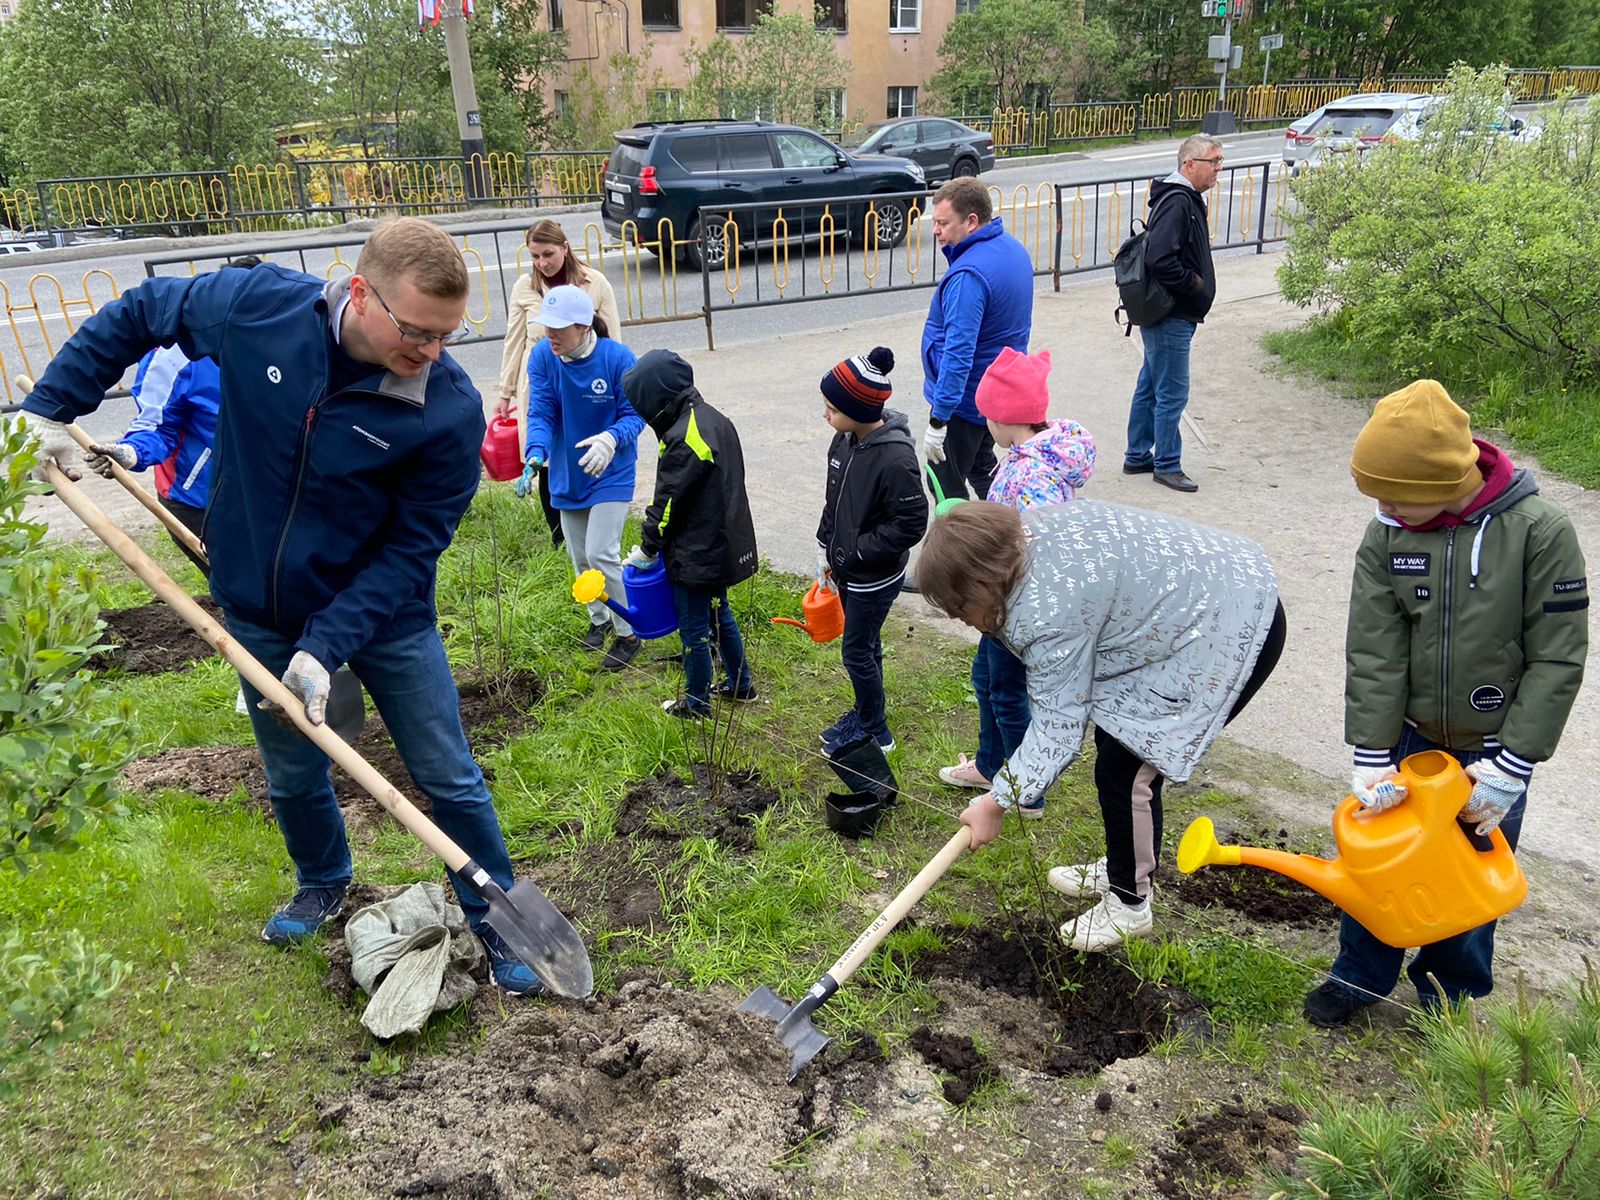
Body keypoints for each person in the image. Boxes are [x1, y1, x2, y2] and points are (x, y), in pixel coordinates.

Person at [16, 217, 543, 994]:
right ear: (359, 293)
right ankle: (323, 880)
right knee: (293, 770)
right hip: (260, 608)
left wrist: (326, 646)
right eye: (417, 332)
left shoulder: (445, 410)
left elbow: (411, 551)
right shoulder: (258, 309)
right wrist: (49, 407)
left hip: (384, 618)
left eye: (447, 335)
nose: (433, 352)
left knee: (447, 773)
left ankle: (497, 915)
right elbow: (141, 311)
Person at [1302, 379, 1588, 1027]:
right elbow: (1375, 649)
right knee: (1378, 862)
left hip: (1493, 751)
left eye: (1393, 495)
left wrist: (1514, 763)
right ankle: (1359, 975)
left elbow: (1558, 657)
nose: (1381, 507)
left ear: (1443, 481)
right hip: (1410, 739)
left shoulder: (1540, 532)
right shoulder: (1388, 534)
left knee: (1468, 873)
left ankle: (1449, 993)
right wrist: (1372, 754)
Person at [920, 501, 1285, 951]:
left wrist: (996, 802)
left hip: (1230, 626)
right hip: (1197, 603)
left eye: (960, 608)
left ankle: (1130, 903)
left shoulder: (1045, 610)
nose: (960, 620)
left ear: (984, 582)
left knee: (1126, 768)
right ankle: (1123, 866)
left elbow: (1057, 728)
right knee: (1118, 750)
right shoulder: (1026, 542)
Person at [936, 347, 1096, 797]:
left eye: (987, 417)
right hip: (1003, 599)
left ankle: (1026, 787)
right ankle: (991, 766)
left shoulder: (1032, 476)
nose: (986, 426)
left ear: (1005, 418)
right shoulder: (1032, 456)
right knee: (986, 680)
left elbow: (1040, 544)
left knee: (1007, 693)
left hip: (1018, 603)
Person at [82, 255, 262, 573]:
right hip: (201, 503)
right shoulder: (174, 358)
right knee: (244, 589)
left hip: (268, 495)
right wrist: (129, 453)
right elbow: (155, 428)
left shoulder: (284, 341)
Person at [620, 349, 758, 719]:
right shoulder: (713, 418)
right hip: (722, 542)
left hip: (697, 551)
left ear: (656, 398)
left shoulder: (683, 437)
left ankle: (697, 704)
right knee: (719, 614)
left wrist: (649, 548)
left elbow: (667, 503)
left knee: (694, 628)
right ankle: (741, 684)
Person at [524, 284, 644, 671]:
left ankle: (629, 632)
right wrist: (535, 453)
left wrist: (611, 438)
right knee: (579, 558)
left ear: (583, 325)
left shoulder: (616, 358)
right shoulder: (543, 356)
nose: (550, 334)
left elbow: (636, 414)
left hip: (611, 470)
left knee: (600, 553)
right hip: (568, 471)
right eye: (547, 325)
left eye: (559, 327)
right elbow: (541, 411)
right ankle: (600, 619)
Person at [815, 346, 928, 754]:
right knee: (866, 645)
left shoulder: (895, 459)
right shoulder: (844, 442)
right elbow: (834, 499)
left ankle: (876, 731)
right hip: (848, 569)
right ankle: (866, 711)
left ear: (858, 410)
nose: (825, 415)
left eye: (832, 409)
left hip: (873, 576)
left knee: (856, 652)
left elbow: (911, 523)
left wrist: (858, 552)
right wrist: (826, 546)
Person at [494, 220, 621, 548]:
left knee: (585, 448)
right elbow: (514, 339)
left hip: (586, 383)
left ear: (565, 247)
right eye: (535, 256)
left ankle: (595, 525)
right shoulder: (524, 288)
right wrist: (505, 392)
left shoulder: (595, 283)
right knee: (546, 456)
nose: (542, 263)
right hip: (541, 382)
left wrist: (617, 386)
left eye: (548, 254)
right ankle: (560, 539)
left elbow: (613, 340)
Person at [919, 176, 1033, 510]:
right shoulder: (1012, 249)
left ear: (971, 221)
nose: (935, 231)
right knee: (983, 468)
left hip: (964, 401)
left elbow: (959, 353)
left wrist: (939, 419)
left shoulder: (968, 276)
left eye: (943, 223)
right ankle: (1010, 524)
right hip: (999, 390)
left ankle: (965, 540)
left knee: (944, 481)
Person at [1121, 134, 1222, 495]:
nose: (1219, 169)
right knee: (1173, 392)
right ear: (1189, 164)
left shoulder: (1181, 198)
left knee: (1151, 385)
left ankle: (1137, 454)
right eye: (1214, 161)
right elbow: (1159, 258)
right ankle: (1166, 464)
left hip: (1169, 312)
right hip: (1171, 314)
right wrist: (1192, 284)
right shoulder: (1179, 202)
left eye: (1220, 161)